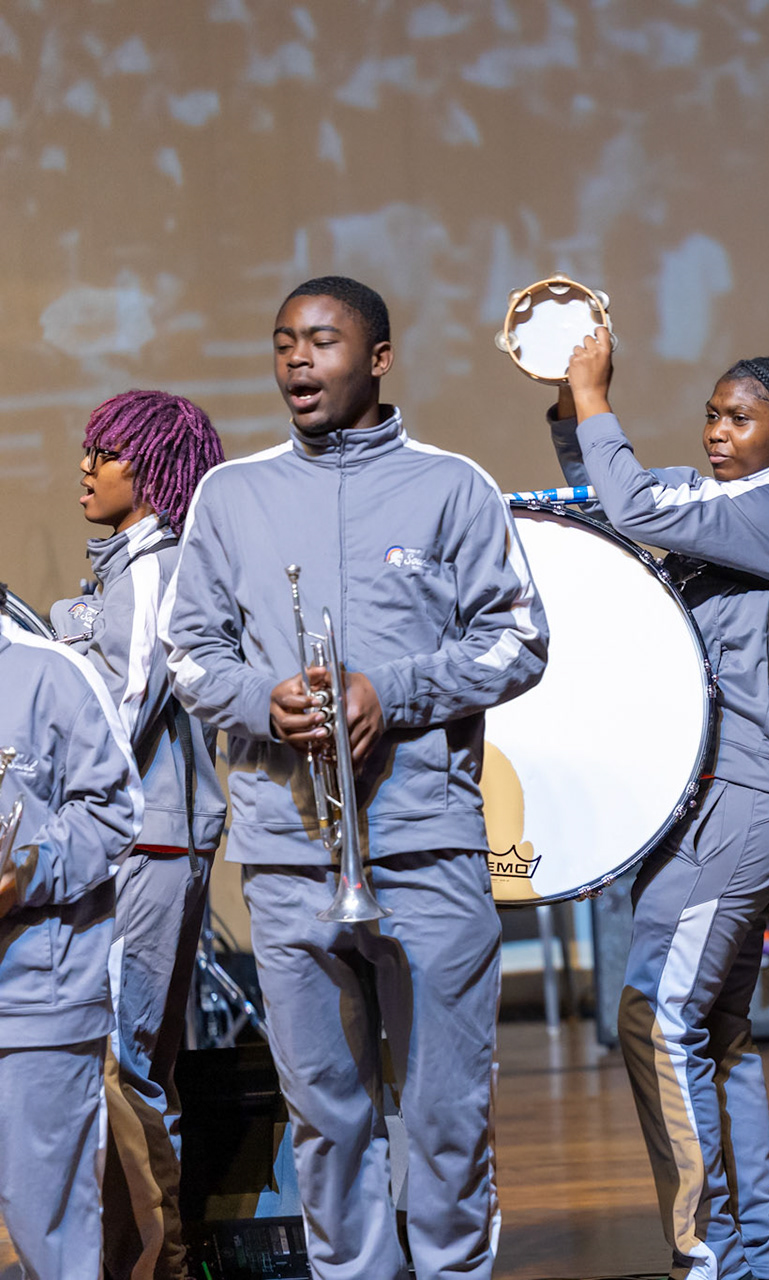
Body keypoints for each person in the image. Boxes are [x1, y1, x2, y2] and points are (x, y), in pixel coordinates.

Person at [160, 275, 548, 1280]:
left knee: (448, 1114)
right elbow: (187, 654)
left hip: (426, 847)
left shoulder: (452, 486)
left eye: (322, 340)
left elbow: (520, 642)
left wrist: (395, 690)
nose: (297, 358)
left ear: (378, 358)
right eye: (283, 340)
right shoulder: (230, 495)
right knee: (325, 1119)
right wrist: (265, 700)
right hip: (290, 858)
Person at [541, 331, 769, 1280]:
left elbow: (636, 502)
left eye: (739, 418)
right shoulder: (723, 504)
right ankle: (758, 1251)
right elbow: (615, 497)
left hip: (754, 796)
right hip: (720, 799)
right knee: (714, 1029)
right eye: (712, 415)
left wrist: (598, 395)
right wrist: (570, 404)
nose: (717, 431)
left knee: (656, 1014)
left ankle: (704, 1254)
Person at [48, 389, 229, 1280]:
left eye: (106, 453)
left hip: (146, 841)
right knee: (127, 1060)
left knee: (125, 1061)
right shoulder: (125, 569)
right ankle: (130, 1258)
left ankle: (163, 1265)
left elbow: (117, 718)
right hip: (139, 840)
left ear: (152, 471)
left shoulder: (156, 567)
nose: (86, 468)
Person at [0, 596, 144, 1279]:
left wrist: (23, 876)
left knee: (47, 1226)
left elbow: (115, 811)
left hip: (33, 994)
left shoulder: (52, 673)